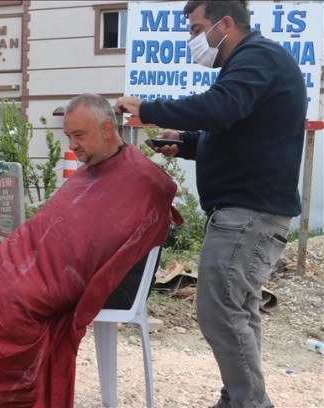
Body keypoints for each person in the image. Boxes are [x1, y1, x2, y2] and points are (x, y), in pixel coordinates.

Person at [0, 93, 181, 407]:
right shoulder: (91, 170)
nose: (72, 145)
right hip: (26, 259)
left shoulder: (144, 181)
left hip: (61, 280)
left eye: (79, 135)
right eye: (69, 136)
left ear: (106, 129)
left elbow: (107, 249)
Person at [115, 1, 307, 407]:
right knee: (238, 312)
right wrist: (186, 144)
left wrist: (146, 109)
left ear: (225, 23)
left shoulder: (257, 57)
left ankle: (249, 403)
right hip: (246, 210)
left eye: (197, 28)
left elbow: (220, 108)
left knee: (220, 309)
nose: (193, 39)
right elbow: (239, 134)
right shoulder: (253, 65)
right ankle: (236, 398)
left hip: (250, 212)